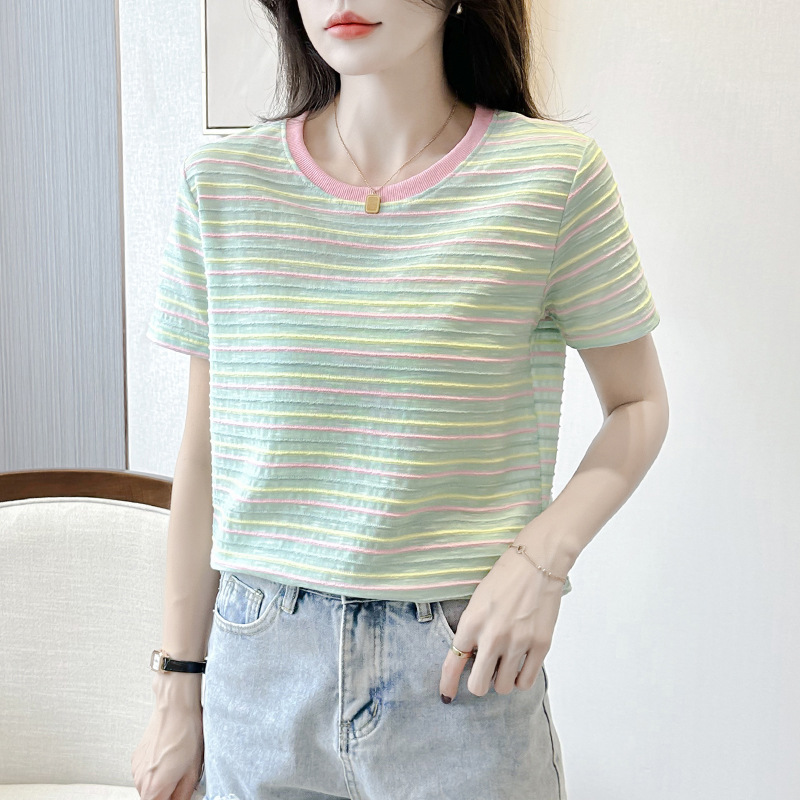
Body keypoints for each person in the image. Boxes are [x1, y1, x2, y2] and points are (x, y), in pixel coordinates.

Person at [132, 1, 669, 798]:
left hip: (461, 674)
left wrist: (541, 561)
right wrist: (178, 689)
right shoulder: (223, 185)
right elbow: (203, 455)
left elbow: (638, 405)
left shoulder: (553, 177)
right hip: (259, 675)